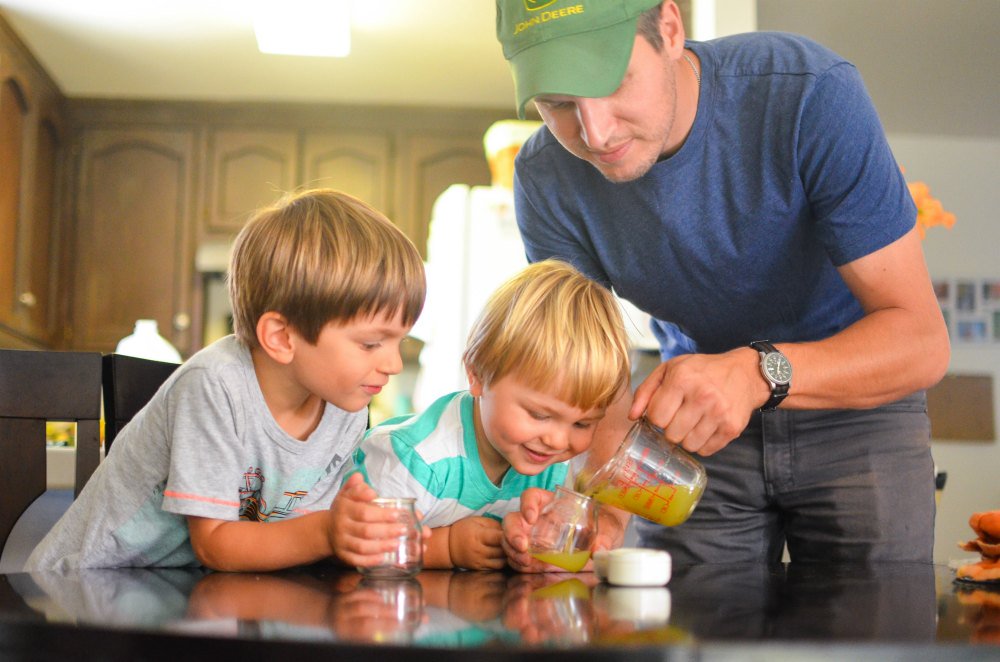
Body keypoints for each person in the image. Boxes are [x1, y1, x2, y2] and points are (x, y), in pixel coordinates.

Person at [495, 0, 950, 567]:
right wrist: (604, 505)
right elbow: (595, 376)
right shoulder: (545, 178)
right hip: (689, 429)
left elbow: (923, 342)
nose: (595, 133)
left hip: (857, 409)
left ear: (669, 27)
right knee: (689, 638)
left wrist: (757, 372)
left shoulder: (808, 93)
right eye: (558, 104)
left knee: (869, 641)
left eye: (613, 82)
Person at [27, 188, 428, 572]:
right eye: (372, 343)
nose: (394, 363)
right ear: (282, 338)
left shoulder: (345, 407)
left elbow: (285, 535)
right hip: (81, 591)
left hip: (181, 590)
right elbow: (215, 542)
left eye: (400, 340)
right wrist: (328, 531)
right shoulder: (214, 386)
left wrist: (358, 527)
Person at [351, 259, 631, 570]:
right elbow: (354, 549)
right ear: (477, 375)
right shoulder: (413, 460)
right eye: (539, 415)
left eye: (582, 423)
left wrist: (527, 546)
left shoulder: (549, 466)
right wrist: (447, 547)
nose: (557, 440)